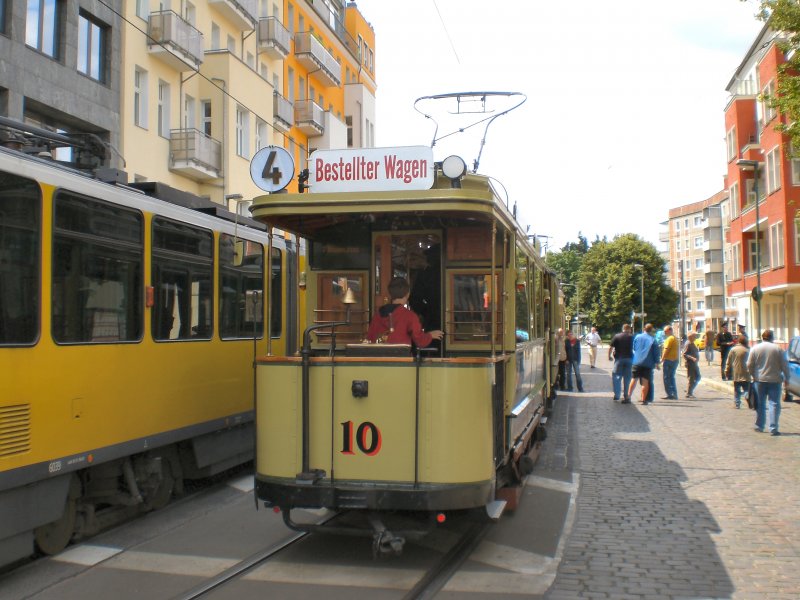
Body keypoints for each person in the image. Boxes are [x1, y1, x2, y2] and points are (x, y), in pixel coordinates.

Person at [366, 277, 443, 347]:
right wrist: (430, 335)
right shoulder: (409, 316)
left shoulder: (378, 313)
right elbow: (420, 341)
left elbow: (370, 337)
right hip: (401, 358)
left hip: (379, 358)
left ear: (390, 294)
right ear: (408, 294)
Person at [746, 329, 790, 436]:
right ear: (772, 337)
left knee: (760, 403)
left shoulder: (755, 348)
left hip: (759, 380)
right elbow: (785, 365)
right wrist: (787, 378)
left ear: (762, 337)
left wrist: (753, 375)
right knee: (774, 403)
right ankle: (773, 427)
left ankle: (760, 426)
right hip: (775, 380)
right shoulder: (778, 349)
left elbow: (749, 364)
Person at [628, 323, 660, 404]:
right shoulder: (653, 339)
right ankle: (643, 399)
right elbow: (656, 352)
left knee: (633, 379)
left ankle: (628, 397)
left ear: (644, 329)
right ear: (651, 330)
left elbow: (634, 347)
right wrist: (657, 362)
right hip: (647, 363)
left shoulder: (637, 337)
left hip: (636, 361)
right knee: (645, 381)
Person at [609, 323, 634, 402]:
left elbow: (611, 347)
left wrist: (609, 356)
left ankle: (617, 395)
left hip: (619, 359)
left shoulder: (617, 336)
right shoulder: (632, 337)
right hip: (629, 359)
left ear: (623, 329)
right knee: (627, 378)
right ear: (629, 329)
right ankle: (626, 395)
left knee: (616, 377)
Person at [725, 335, 751, 409]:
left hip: (736, 373)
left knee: (737, 389)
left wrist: (726, 371)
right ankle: (747, 396)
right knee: (746, 389)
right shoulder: (747, 350)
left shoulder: (733, 349)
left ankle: (737, 404)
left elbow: (728, 362)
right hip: (746, 372)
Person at [660, 325, 679, 399]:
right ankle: (674, 394)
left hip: (669, 360)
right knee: (671, 377)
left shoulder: (669, 339)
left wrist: (662, 359)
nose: (664, 332)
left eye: (665, 331)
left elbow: (666, 349)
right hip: (675, 360)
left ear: (670, 330)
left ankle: (670, 394)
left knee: (666, 377)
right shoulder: (675, 338)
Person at [683, 331, 701, 398]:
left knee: (698, 377)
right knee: (692, 378)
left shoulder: (692, 343)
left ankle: (689, 390)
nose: (695, 337)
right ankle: (689, 393)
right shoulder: (688, 344)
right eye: (694, 336)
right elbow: (684, 354)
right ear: (690, 337)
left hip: (694, 363)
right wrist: (692, 358)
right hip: (690, 363)